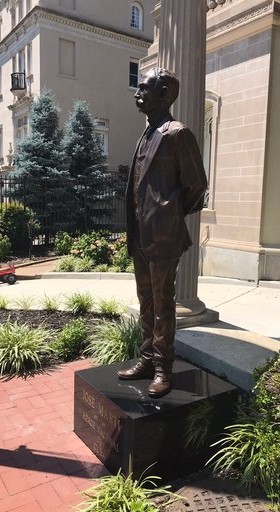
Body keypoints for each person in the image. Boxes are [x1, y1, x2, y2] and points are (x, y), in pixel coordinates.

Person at [117, 68, 207, 398]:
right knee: (145, 302)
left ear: (165, 94)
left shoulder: (177, 134)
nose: (137, 94)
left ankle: (162, 368)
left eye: (145, 89)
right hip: (141, 235)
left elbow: (197, 184)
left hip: (163, 235)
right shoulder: (147, 134)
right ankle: (146, 358)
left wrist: (170, 212)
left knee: (163, 304)